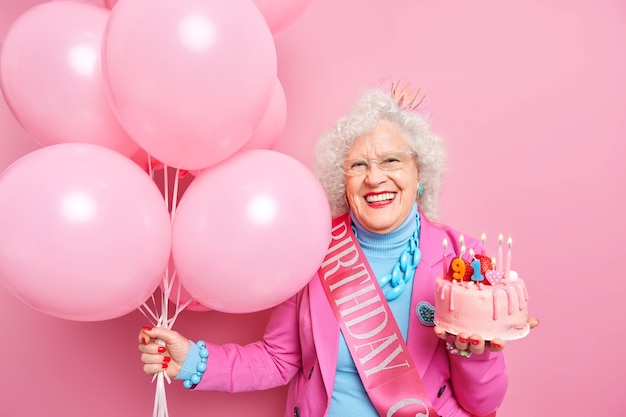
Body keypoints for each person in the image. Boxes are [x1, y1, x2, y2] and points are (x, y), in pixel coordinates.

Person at [138, 83, 539, 417]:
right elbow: (279, 360)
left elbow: (483, 402)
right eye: (358, 165)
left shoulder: (463, 260)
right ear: (341, 181)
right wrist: (190, 360)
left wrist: (477, 355)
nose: (375, 178)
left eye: (391, 160)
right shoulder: (314, 248)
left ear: (420, 174)